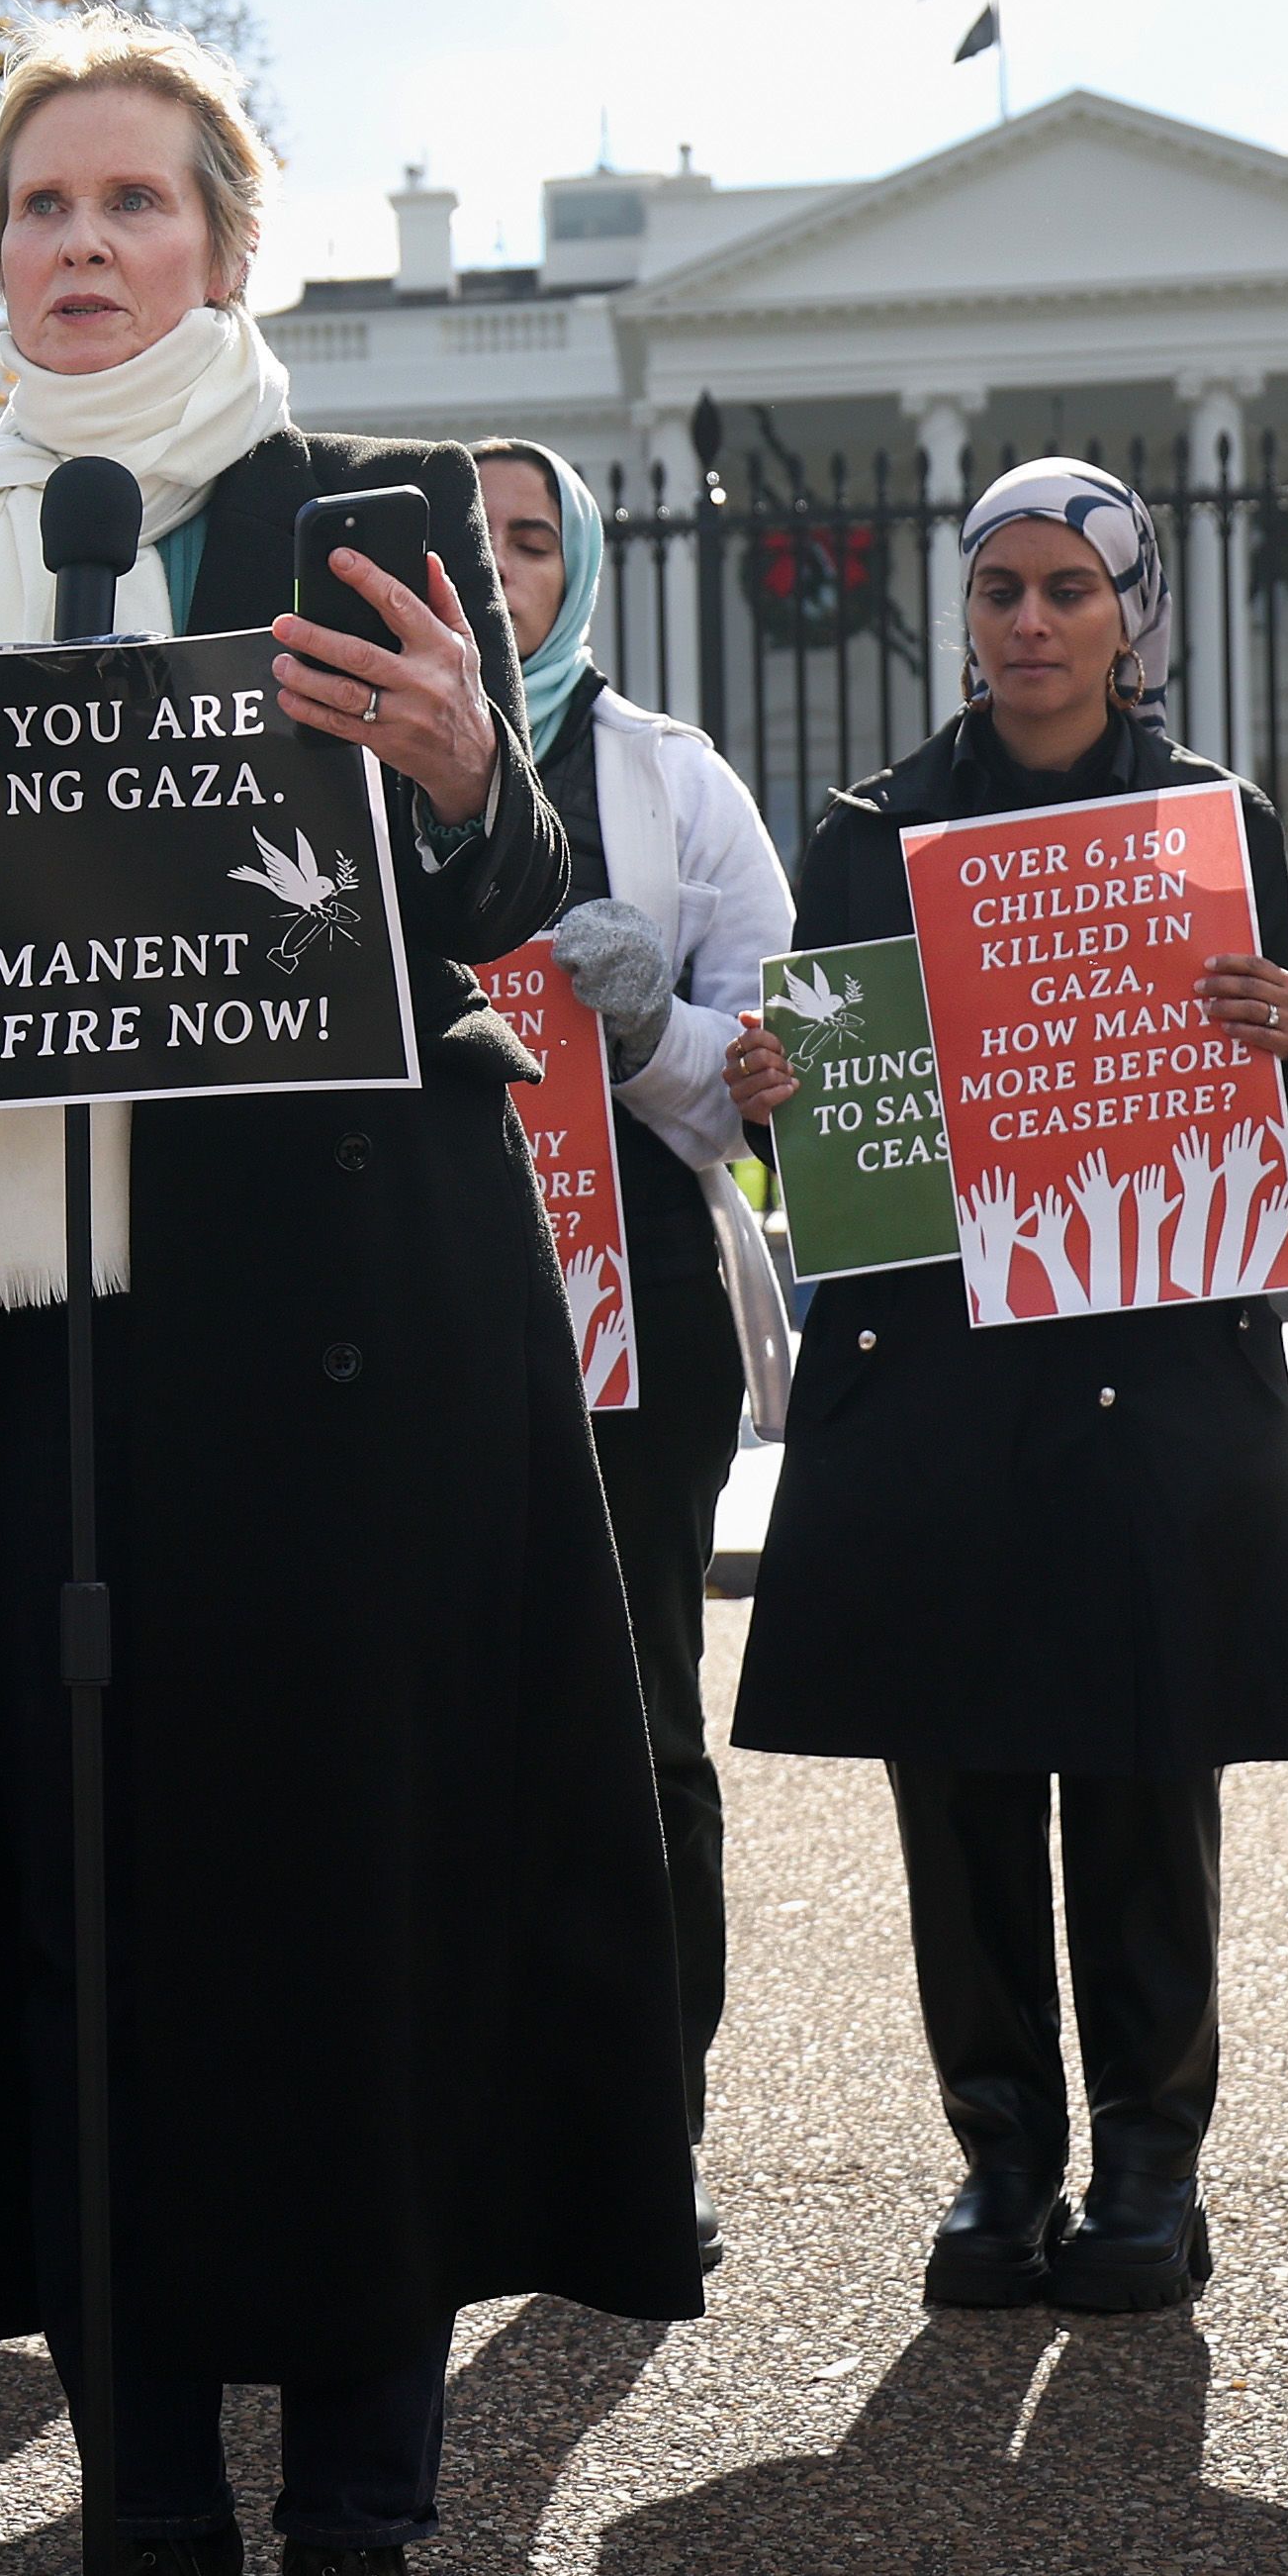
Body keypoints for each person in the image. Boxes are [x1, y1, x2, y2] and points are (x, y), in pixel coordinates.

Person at [0, 14, 704, 2576]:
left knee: (346, 1915)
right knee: (73, 1942)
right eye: (38, 201)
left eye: (132, 200)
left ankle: (367, 2545)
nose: (78, 242)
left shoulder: (348, 530)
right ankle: (142, 2540)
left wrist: (456, 766)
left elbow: (497, 891)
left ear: (222, 248)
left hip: (341, 1360)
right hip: (15, 1377)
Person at [726, 460, 1288, 2314]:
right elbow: (839, 1153)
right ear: (967, 611)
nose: (1033, 622)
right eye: (1002, 588)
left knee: (1150, 1773)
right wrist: (786, 1106)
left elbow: (1270, 1115)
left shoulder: (1214, 819)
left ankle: (1151, 2169)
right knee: (965, 1780)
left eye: (1071, 587)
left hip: (1149, 1373)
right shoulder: (864, 832)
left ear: (1129, 613)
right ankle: (1002, 2157)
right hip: (936, 1386)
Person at [474, 437, 794, 2255]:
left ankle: (648, 2122)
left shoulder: (669, 778)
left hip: (638, 1300)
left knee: (639, 1715)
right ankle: (467, 2111)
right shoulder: (340, 769)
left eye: (534, 542)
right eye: (474, 541)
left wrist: (655, 1021)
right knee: (435, 1716)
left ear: (578, 570)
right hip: (407, 1302)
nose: (503, 569)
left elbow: (768, 1090)